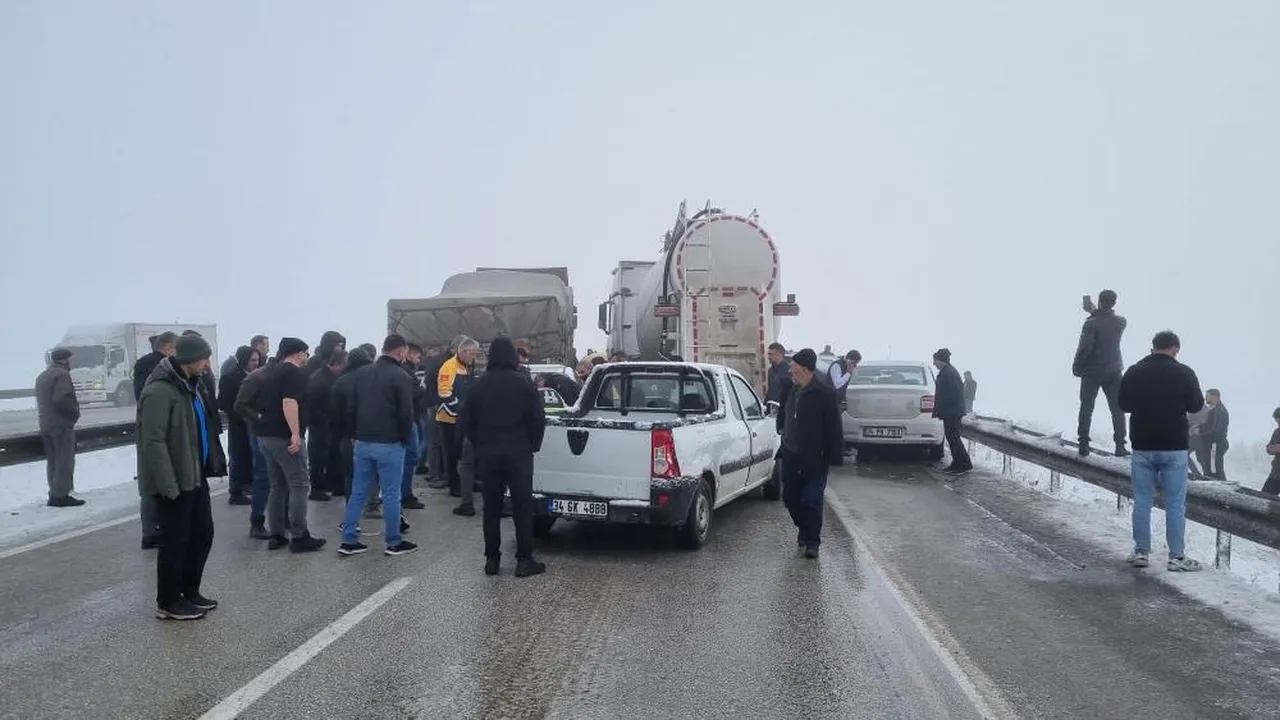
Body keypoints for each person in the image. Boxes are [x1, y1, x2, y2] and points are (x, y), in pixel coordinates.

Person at [137, 334, 225, 620]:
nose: (207, 365)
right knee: (175, 540)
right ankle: (168, 600)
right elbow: (153, 441)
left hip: (194, 474)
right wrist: (167, 484)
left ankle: (189, 590)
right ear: (189, 359)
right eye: (204, 359)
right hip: (174, 480)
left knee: (202, 534)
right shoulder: (160, 391)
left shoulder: (191, 387)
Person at [1117, 330, 1205, 572]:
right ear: (1175, 349)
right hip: (1174, 446)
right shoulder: (1184, 372)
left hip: (1143, 444)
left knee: (1142, 500)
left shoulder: (1135, 371)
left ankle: (1141, 552)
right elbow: (1196, 405)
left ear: (1152, 347)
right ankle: (1176, 557)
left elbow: (1122, 404)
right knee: (1175, 503)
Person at [461, 337, 547, 577]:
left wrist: (480, 443)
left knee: (492, 508)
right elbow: (537, 419)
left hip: (489, 453)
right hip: (518, 453)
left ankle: (492, 560)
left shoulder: (478, 385)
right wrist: (532, 445)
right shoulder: (524, 384)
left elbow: (466, 421)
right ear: (512, 357)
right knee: (521, 507)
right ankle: (524, 560)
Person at [338, 335, 418, 557]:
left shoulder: (362, 373)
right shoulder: (401, 376)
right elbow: (406, 413)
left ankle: (349, 540)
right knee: (391, 494)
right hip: (389, 443)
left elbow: (351, 407)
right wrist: (404, 438)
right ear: (401, 352)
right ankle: (393, 542)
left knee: (357, 492)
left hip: (362, 442)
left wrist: (353, 433)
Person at [257, 337, 325, 553]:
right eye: (305, 353)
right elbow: (289, 402)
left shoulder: (272, 372)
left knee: (277, 486)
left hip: (265, 436)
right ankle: (299, 535)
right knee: (299, 485)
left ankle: (277, 534)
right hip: (284, 437)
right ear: (297, 353)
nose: (306, 357)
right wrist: (295, 433)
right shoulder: (293, 373)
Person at [775, 348, 843, 559]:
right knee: (790, 499)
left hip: (814, 457)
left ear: (805, 370)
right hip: (790, 454)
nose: (790, 372)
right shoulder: (791, 389)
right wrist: (781, 428)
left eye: (793, 369)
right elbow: (783, 413)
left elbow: (834, 427)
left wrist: (834, 456)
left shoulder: (824, 394)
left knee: (812, 500)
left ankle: (813, 541)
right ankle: (804, 528)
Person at [134, 332, 178, 546]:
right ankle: (151, 531)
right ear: (168, 348)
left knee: (153, 481)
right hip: (156, 427)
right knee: (154, 482)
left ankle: (154, 528)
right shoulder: (158, 367)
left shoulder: (145, 363)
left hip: (153, 425)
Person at [1073, 289, 1129, 457]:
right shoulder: (1121, 322)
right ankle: (1120, 446)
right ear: (1114, 303)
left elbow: (1085, 348)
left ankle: (1083, 444)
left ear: (1099, 301)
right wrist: (1094, 311)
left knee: (1087, 408)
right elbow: (1106, 319)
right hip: (1113, 370)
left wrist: (1077, 367)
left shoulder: (1091, 323)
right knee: (1117, 409)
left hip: (1092, 371)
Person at [36, 348, 83, 507]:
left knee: (53, 461)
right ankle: (60, 495)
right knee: (65, 461)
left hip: (46, 424)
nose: (73, 362)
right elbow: (61, 399)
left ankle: (54, 491)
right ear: (65, 360)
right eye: (72, 359)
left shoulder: (43, 376)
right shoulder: (62, 375)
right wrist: (74, 412)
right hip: (61, 424)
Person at [436, 337, 480, 499]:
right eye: (473, 354)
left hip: (465, 419)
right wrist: (459, 409)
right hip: (449, 418)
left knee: (465, 453)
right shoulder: (448, 367)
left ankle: (467, 481)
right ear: (463, 351)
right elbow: (444, 393)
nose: (474, 357)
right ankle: (454, 485)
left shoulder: (467, 367)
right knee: (452, 453)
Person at [328, 347, 374, 499]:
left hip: (348, 436)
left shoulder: (340, 382)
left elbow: (334, 413)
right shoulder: (374, 379)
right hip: (372, 434)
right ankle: (372, 505)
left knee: (349, 474)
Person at [217, 346, 260, 507]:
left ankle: (250, 485)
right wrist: (240, 413)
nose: (256, 363)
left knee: (253, 456)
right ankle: (235, 491)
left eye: (257, 360)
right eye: (252, 360)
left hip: (254, 423)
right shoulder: (230, 378)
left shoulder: (259, 375)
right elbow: (223, 402)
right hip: (239, 424)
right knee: (238, 457)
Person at [304, 348, 348, 501]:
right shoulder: (319, 380)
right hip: (320, 425)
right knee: (318, 456)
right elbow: (311, 406)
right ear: (337, 364)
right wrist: (325, 418)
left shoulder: (331, 377)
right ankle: (316, 488)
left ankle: (331, 483)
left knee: (333, 455)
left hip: (330, 424)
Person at [931, 349, 973, 474]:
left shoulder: (949, 373)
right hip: (951, 411)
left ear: (941, 360)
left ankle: (964, 464)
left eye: (935, 361)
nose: (934, 364)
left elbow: (954, 393)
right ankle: (957, 463)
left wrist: (943, 405)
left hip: (952, 411)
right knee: (952, 437)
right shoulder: (947, 371)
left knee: (953, 437)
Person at [399, 343, 428, 510]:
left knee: (411, 457)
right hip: (410, 419)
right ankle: (405, 495)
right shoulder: (406, 372)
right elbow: (410, 394)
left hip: (413, 417)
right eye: (417, 356)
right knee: (410, 457)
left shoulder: (406, 371)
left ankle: (405, 493)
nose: (419, 360)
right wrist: (422, 388)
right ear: (408, 354)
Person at [1198, 389, 1230, 480]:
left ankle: (1223, 489)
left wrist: (1199, 433)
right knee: (1208, 467)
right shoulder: (1212, 409)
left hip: (1215, 444)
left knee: (1215, 469)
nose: (1205, 398)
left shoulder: (1219, 411)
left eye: (1207, 395)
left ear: (1215, 397)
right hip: (1209, 443)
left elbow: (1216, 430)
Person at [765, 342, 791, 407]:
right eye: (768, 354)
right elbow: (770, 391)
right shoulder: (771, 371)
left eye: (771, 354)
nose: (768, 357)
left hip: (783, 408)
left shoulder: (788, 371)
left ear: (779, 355)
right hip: (772, 408)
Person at [1262, 408, 1280, 496]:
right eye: (1277, 421)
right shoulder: (1276, 432)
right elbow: (1269, 446)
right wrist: (1270, 449)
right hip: (1276, 473)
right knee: (1265, 496)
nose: (1278, 423)